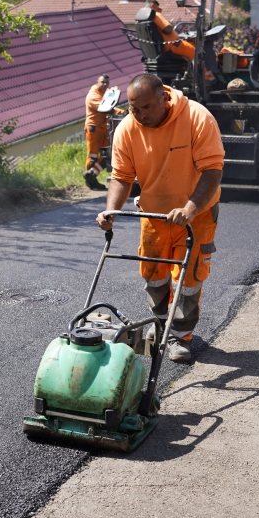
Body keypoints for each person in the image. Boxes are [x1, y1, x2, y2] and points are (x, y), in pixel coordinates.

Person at [96, 74, 224, 362]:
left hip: (197, 214)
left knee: (188, 278)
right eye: (134, 108)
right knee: (153, 274)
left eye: (146, 108)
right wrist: (110, 211)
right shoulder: (127, 128)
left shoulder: (196, 118)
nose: (140, 115)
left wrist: (189, 209)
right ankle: (160, 323)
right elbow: (121, 176)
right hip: (154, 213)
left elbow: (212, 170)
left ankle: (180, 336)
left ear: (164, 98)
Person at [83, 74, 125, 191]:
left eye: (107, 82)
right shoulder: (92, 96)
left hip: (103, 128)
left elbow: (111, 99)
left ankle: (92, 174)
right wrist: (121, 112)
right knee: (92, 157)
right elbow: (105, 108)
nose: (105, 85)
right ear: (97, 82)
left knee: (107, 154)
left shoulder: (104, 92)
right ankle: (90, 180)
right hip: (94, 128)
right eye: (103, 82)